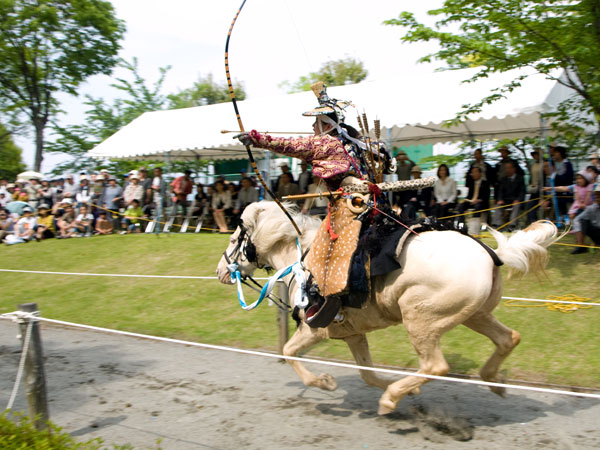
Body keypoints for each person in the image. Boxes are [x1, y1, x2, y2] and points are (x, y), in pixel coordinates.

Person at [236, 81, 395, 326]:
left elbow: (289, 145)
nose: (312, 127)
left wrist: (256, 139)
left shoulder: (326, 143)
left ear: (325, 125)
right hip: (375, 206)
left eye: (315, 123)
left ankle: (336, 304)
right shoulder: (356, 142)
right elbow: (386, 160)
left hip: (349, 211)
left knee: (321, 253)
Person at [492, 161, 526, 230]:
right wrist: (500, 199)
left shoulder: (520, 179)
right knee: (498, 205)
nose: (507, 170)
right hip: (506, 200)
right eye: (506, 168)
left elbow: (522, 191)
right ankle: (497, 224)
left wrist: (518, 200)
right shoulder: (503, 179)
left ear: (514, 169)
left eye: (509, 168)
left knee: (516, 205)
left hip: (516, 200)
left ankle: (512, 225)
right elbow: (500, 192)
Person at [570, 184, 600, 254]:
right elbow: (577, 220)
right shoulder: (592, 208)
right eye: (597, 196)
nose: (597, 198)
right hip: (597, 233)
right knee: (582, 221)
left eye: (599, 196)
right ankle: (581, 246)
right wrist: (579, 231)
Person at [549, 145, 574, 218]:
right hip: (555, 190)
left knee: (564, 204)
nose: (554, 154)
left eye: (556, 152)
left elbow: (569, 178)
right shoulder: (552, 164)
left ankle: (565, 219)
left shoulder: (567, 164)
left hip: (565, 190)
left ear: (560, 153)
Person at [526, 148, 545, 225]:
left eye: (536, 154)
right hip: (533, 189)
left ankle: (537, 222)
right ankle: (532, 221)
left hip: (541, 189)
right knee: (530, 206)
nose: (535, 156)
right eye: (534, 155)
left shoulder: (544, 164)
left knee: (537, 206)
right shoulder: (533, 165)